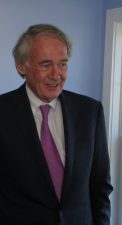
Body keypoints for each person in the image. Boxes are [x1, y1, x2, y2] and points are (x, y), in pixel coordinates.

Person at [0, 24, 113, 225]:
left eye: (62, 64)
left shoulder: (89, 111)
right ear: (21, 66)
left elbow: (100, 188)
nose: (56, 74)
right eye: (45, 65)